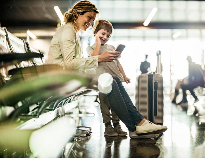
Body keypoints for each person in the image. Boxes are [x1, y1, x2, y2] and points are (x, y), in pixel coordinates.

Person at [45, 0, 167, 139]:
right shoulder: (68, 31)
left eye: (92, 20)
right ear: (79, 13)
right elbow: (69, 64)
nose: (90, 23)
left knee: (113, 79)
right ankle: (135, 126)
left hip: (68, 75)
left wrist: (101, 59)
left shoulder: (73, 32)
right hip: (60, 78)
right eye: (89, 18)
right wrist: (99, 59)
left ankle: (140, 123)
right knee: (109, 81)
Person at [86, 20, 130, 137]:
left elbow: (118, 64)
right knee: (104, 104)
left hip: (114, 80)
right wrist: (97, 42)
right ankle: (108, 126)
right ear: (95, 32)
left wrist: (124, 76)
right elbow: (94, 58)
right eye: (102, 34)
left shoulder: (111, 47)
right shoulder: (90, 49)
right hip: (102, 82)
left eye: (108, 36)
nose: (105, 37)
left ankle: (117, 124)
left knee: (116, 104)